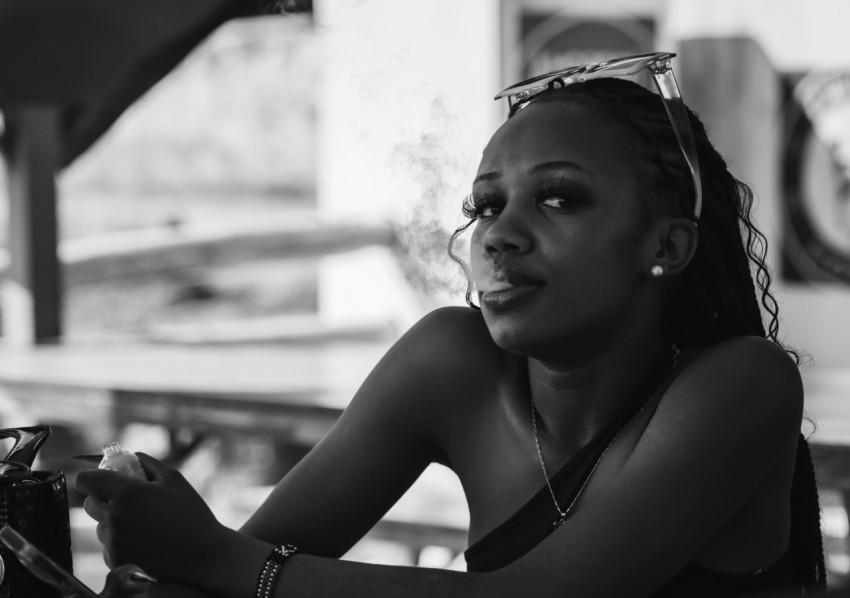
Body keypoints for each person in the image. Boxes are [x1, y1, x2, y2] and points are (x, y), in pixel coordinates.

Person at [79, 52, 826, 598]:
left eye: (559, 199)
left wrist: (213, 559)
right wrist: (161, 569)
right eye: (486, 206)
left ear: (665, 246)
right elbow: (214, 581)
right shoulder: (452, 365)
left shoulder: (742, 383)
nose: (498, 236)